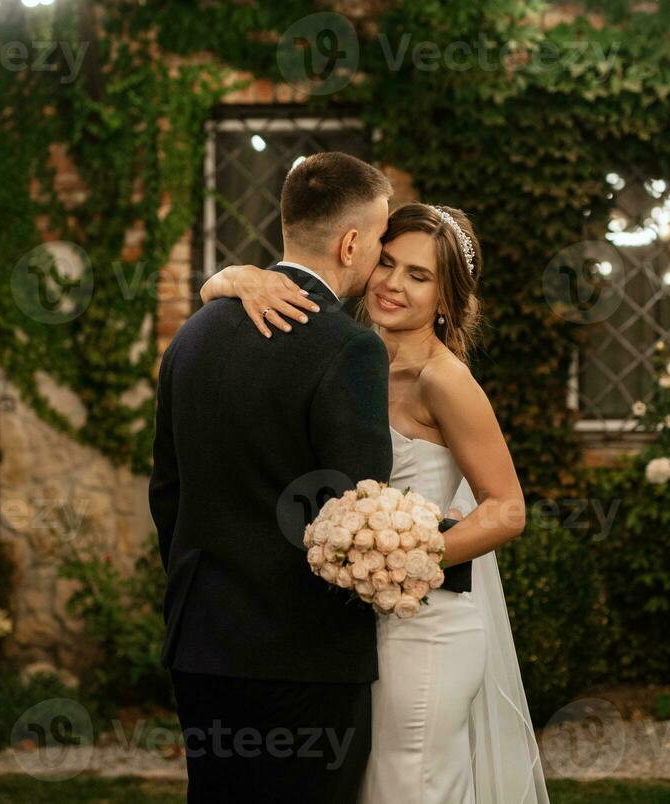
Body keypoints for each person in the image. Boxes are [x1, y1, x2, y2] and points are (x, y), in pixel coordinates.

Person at [201, 197, 551, 803]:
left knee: (406, 788)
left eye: (418, 276)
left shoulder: (443, 381)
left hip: (429, 629)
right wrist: (232, 277)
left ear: (446, 300)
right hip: (357, 630)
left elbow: (507, 508)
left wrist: (407, 556)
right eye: (386, 262)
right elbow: (223, 296)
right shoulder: (347, 356)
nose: (391, 284)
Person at [149, 151, 393, 802]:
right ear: (350, 243)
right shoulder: (349, 348)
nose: (378, 255)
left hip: (201, 645)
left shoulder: (192, 336)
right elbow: (357, 514)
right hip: (303, 657)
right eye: (378, 238)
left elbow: (166, 492)